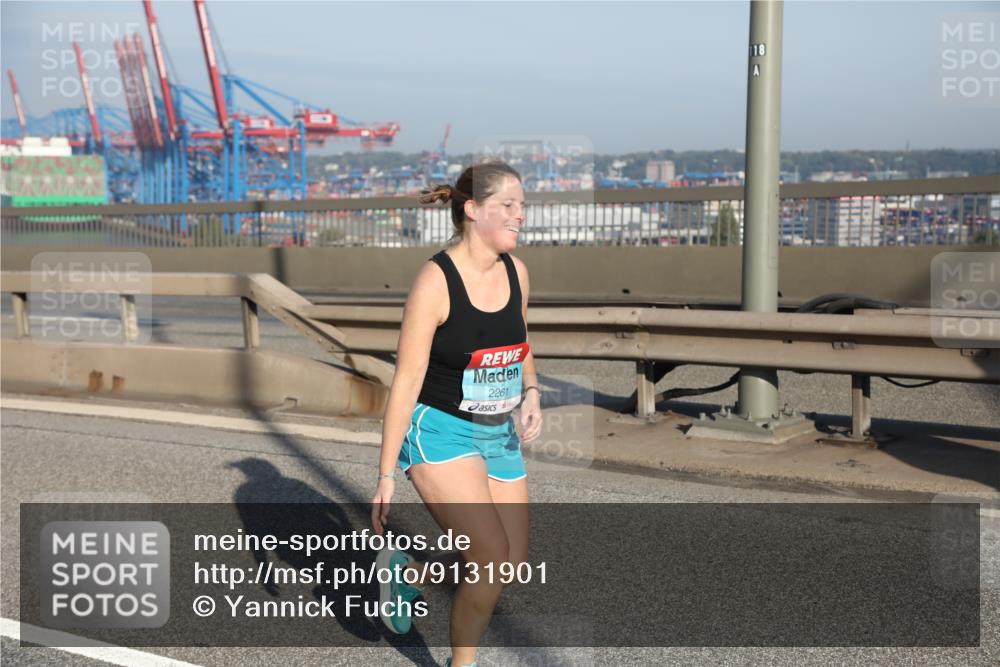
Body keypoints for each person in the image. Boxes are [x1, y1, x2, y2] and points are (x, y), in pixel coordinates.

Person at [370, 161, 543, 667]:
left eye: (522, 207)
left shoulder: (517, 272)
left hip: (496, 430)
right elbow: (405, 379)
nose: (520, 217)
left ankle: (412, 573)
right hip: (439, 430)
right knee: (488, 556)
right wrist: (385, 473)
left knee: (507, 564)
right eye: (508, 207)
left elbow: (519, 342)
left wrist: (531, 392)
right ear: (473, 210)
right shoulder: (436, 281)